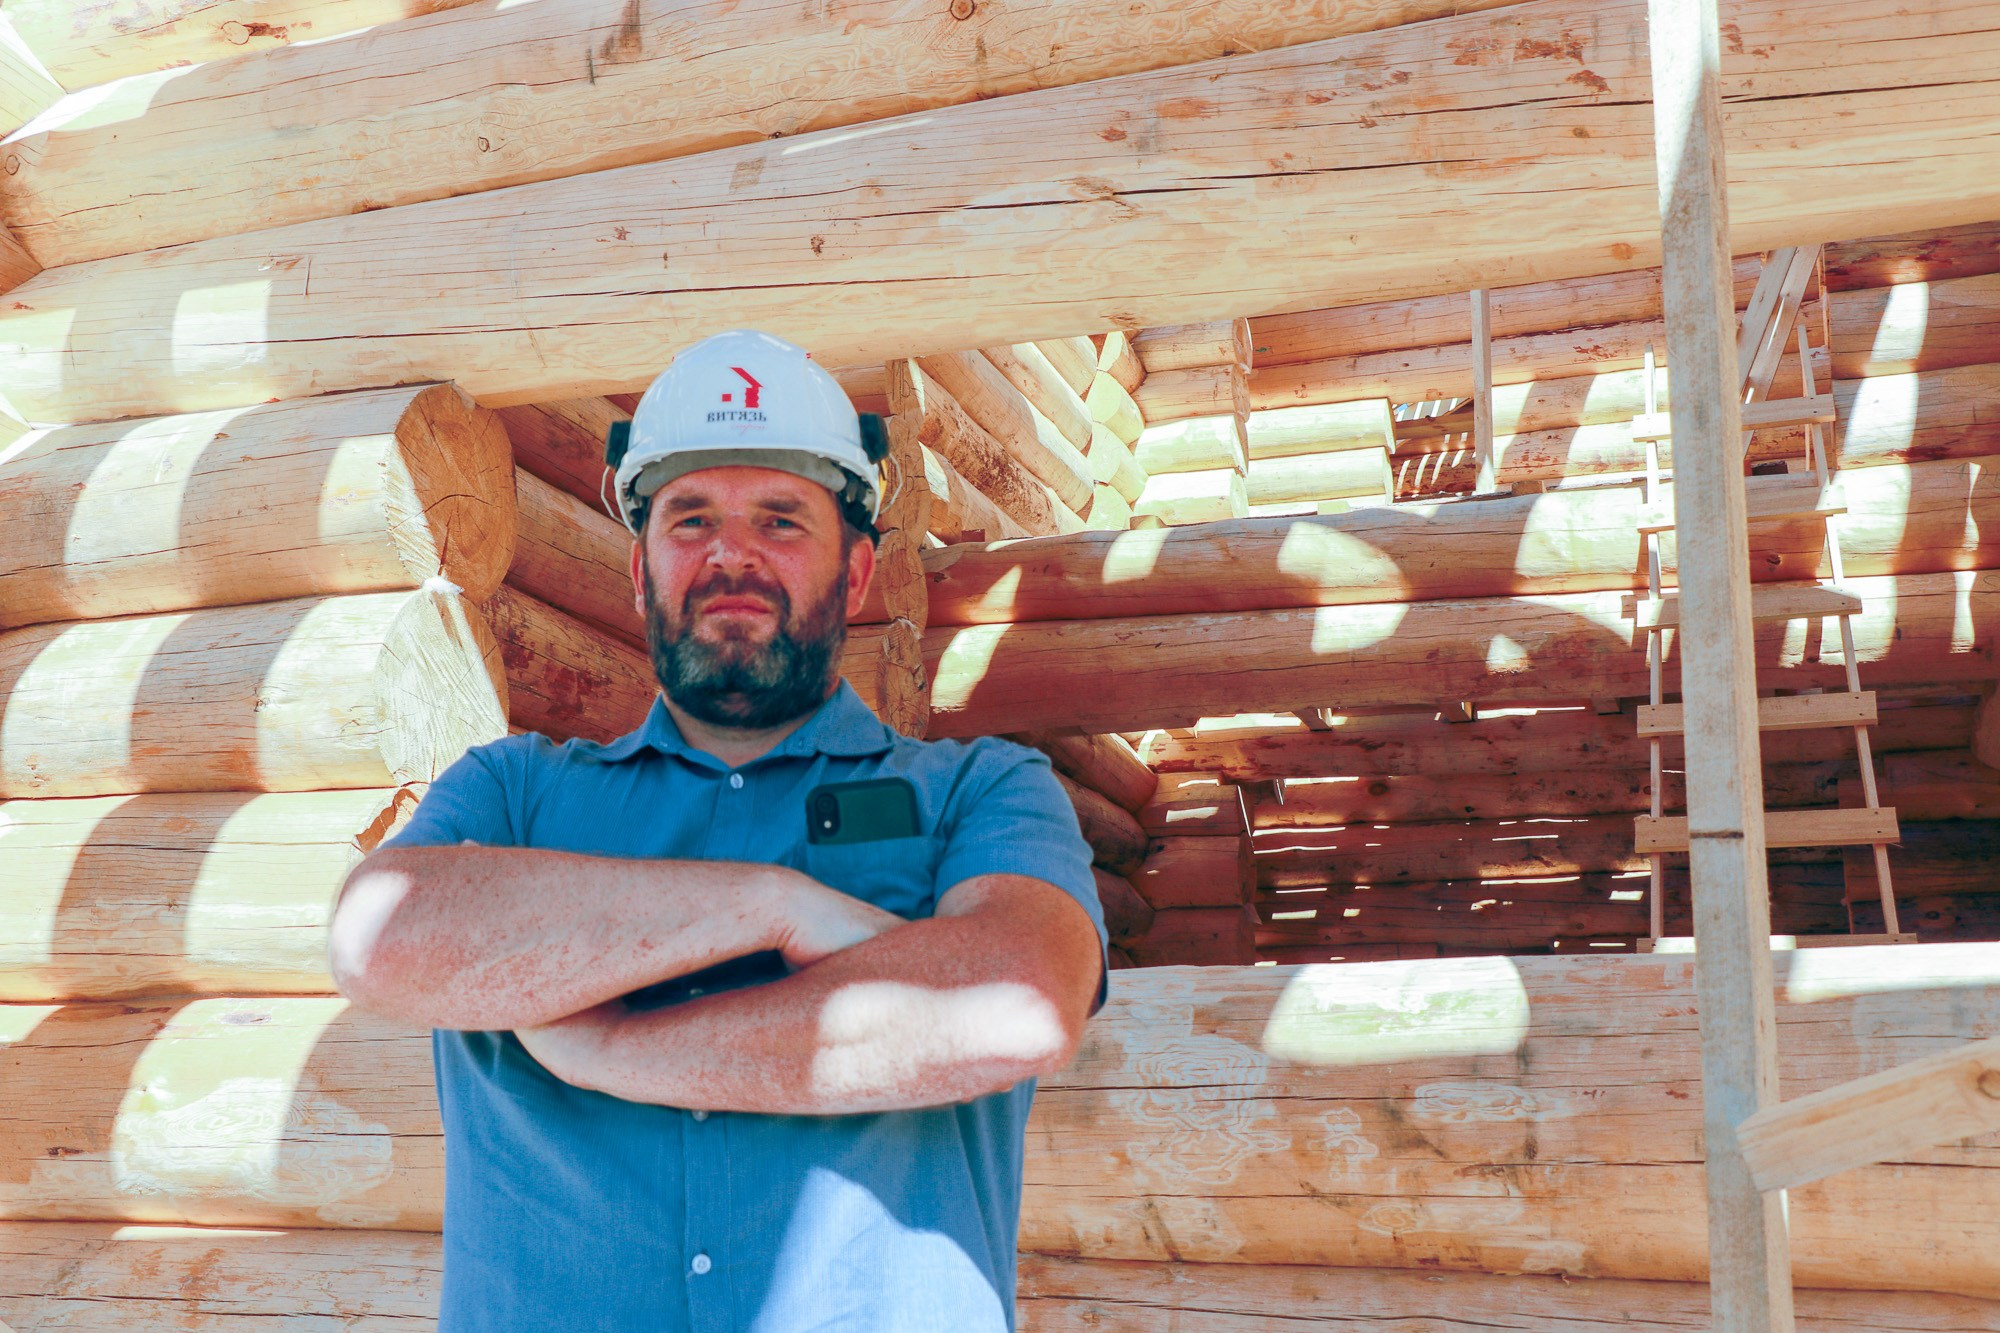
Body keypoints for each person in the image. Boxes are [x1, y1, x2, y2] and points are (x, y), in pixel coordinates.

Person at [328, 330, 1108, 1332]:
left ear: (858, 574)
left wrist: (613, 1049)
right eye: (689, 518)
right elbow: (377, 940)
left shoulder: (980, 790)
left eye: (780, 519)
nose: (730, 551)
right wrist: (769, 902)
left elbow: (1016, 1006)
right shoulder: (512, 790)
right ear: (641, 573)